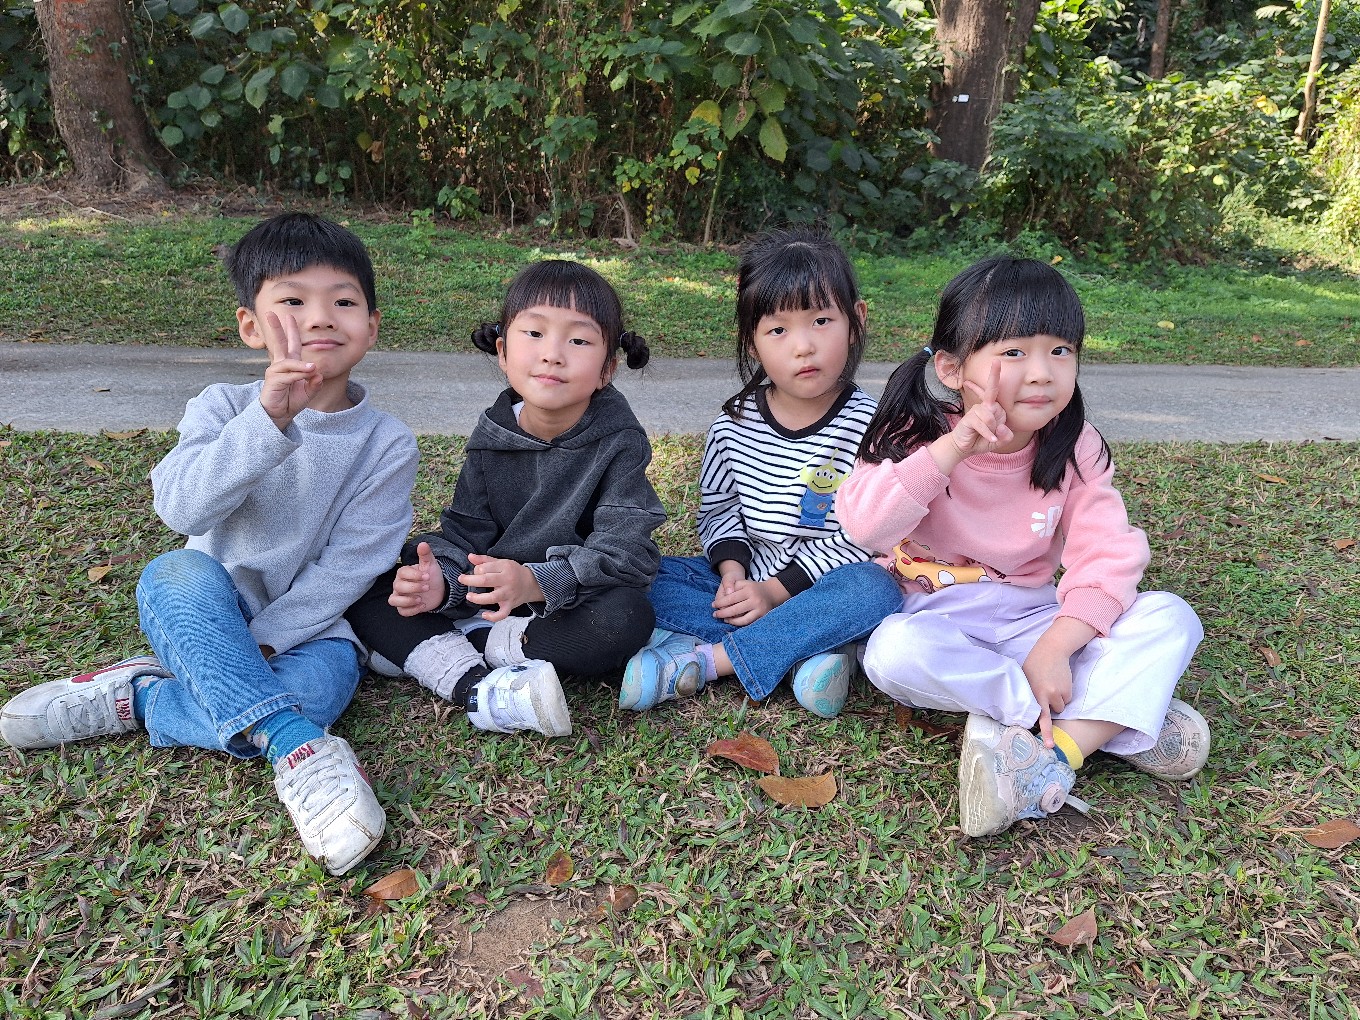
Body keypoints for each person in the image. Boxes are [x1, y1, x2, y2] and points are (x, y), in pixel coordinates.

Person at [0, 213, 419, 874]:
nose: (319, 318)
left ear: (371, 325)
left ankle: (141, 699)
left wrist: (267, 642)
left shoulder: (386, 443)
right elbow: (181, 507)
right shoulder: (222, 406)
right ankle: (297, 748)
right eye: (292, 301)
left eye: (343, 302)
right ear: (251, 326)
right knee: (174, 574)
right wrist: (268, 420)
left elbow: (350, 567)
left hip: (314, 630)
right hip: (207, 605)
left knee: (313, 695)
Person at [837, 255, 1209, 837]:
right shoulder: (912, 435)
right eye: (1013, 352)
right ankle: (1106, 723)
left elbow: (1107, 555)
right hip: (934, 620)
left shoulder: (1075, 446)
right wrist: (953, 450)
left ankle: (1051, 751)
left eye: (1060, 351)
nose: (1041, 373)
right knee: (890, 653)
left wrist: (1056, 647)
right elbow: (864, 527)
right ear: (952, 368)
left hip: (1032, 619)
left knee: (1170, 617)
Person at [346, 260, 663, 738]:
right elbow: (464, 533)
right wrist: (442, 584)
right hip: (487, 597)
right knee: (374, 585)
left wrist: (535, 581)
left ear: (607, 369)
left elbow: (628, 553)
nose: (552, 355)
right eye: (534, 333)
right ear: (502, 351)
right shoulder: (493, 434)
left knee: (627, 618)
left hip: (565, 606)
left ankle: (456, 649)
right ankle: (474, 681)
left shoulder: (620, 441)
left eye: (578, 341)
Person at [619, 228, 902, 718]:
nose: (803, 346)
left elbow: (865, 537)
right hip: (749, 578)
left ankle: (710, 660)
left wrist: (774, 593)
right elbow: (720, 511)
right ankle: (806, 655)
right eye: (778, 330)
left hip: (827, 587)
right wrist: (733, 576)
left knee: (876, 590)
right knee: (638, 576)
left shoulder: (873, 426)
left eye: (821, 321)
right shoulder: (733, 424)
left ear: (856, 321)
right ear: (752, 341)